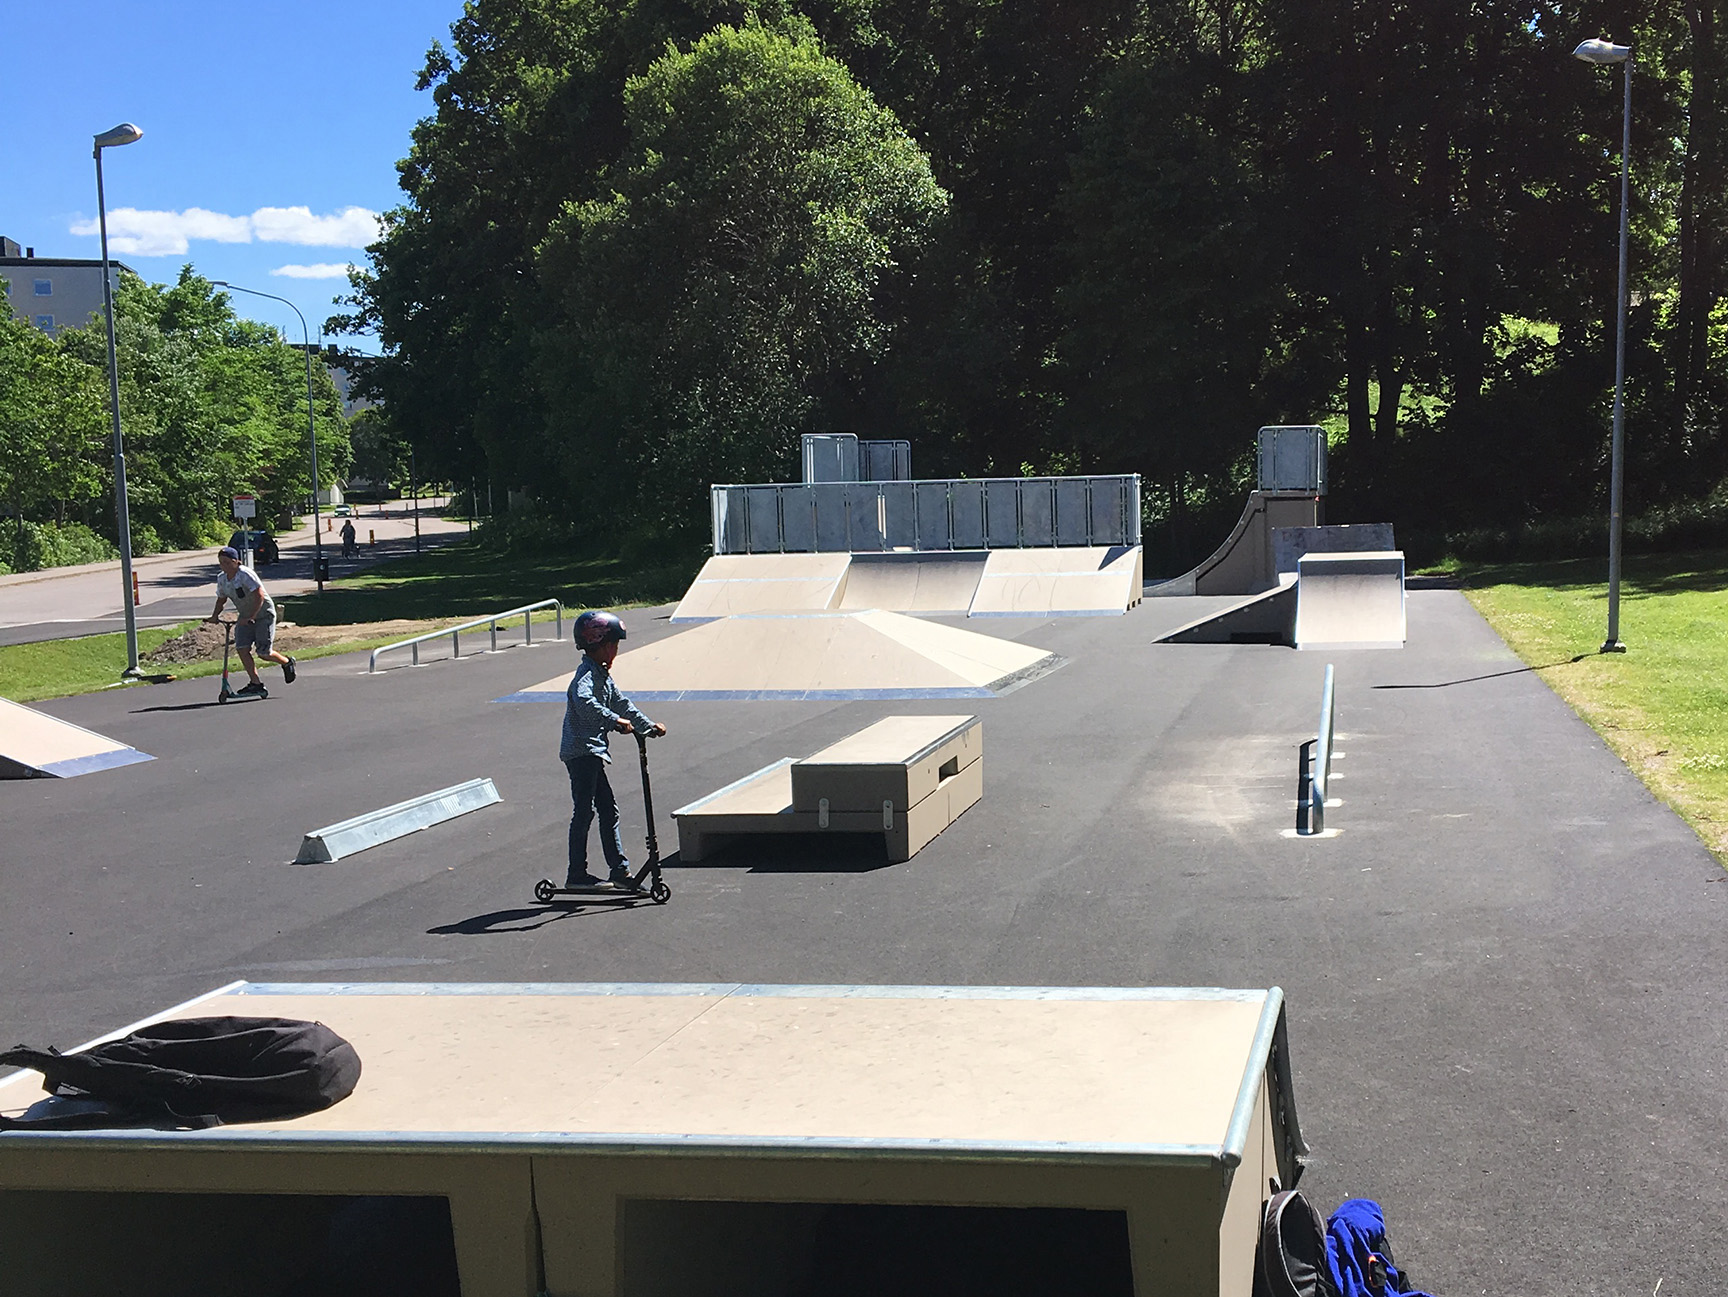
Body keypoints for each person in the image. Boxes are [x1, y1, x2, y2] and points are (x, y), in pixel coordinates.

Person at [561, 610, 666, 887]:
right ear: (599, 645)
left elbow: (622, 704)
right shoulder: (586, 675)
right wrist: (613, 721)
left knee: (608, 810)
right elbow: (584, 703)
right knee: (584, 812)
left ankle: (619, 871)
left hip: (593, 752)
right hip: (581, 752)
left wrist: (647, 726)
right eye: (614, 645)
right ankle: (577, 874)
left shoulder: (603, 676)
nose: (616, 651)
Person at [206, 546, 296, 694]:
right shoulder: (222, 578)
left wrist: (252, 616)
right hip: (245, 616)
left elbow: (259, 595)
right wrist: (214, 616)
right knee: (242, 648)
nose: (224, 566)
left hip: (263, 614)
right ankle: (256, 683)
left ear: (236, 561)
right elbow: (221, 599)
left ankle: (287, 662)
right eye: (221, 563)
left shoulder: (245, 574)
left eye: (228, 562)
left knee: (263, 653)